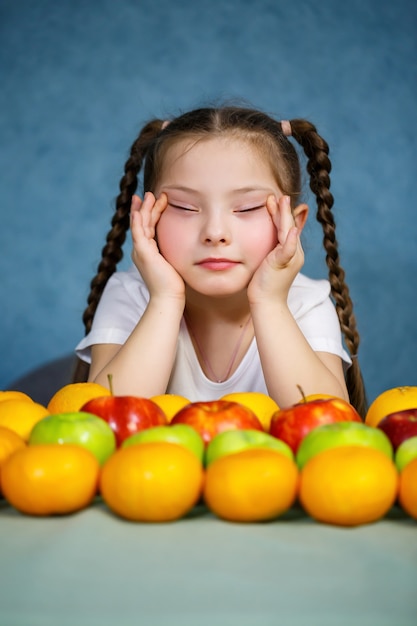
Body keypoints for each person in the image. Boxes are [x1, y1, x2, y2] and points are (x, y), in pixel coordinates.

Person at [73, 105, 367, 417]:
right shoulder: (130, 294)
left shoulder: (305, 302)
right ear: (147, 218)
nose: (215, 233)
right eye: (185, 207)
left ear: (293, 225)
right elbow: (106, 422)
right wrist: (165, 297)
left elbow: (329, 423)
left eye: (247, 208)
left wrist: (270, 301)